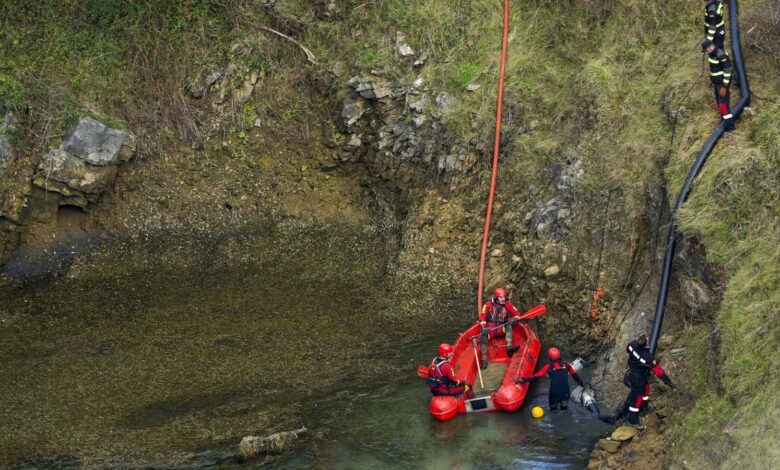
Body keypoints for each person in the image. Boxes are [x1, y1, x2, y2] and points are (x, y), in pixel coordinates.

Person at [600, 334, 675, 430]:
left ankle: (644, 408)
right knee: (637, 398)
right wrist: (670, 384)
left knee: (646, 388)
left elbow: (628, 349)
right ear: (646, 344)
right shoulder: (648, 358)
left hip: (631, 374)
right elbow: (659, 373)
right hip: (637, 379)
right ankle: (633, 419)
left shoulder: (632, 345)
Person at [516, 347, 585, 410]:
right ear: (559, 355)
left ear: (549, 357)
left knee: (553, 409)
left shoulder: (548, 367)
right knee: (564, 408)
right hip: (565, 392)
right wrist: (582, 384)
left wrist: (523, 379)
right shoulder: (567, 364)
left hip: (554, 393)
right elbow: (575, 376)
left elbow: (536, 376)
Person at [478, 287, 522, 366]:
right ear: (496, 297)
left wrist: (515, 319)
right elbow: (482, 316)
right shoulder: (488, 304)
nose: (503, 299)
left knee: (509, 324)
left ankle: (509, 347)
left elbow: (517, 313)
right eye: (501, 297)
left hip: (502, 329)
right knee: (484, 336)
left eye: (504, 297)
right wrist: (484, 327)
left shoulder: (507, 304)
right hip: (490, 330)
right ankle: (484, 358)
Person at [703, 39, 735, 131]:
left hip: (722, 84)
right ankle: (724, 121)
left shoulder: (721, 55)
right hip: (716, 82)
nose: (707, 52)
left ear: (711, 46)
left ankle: (730, 128)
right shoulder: (711, 54)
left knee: (723, 105)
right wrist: (712, 80)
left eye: (707, 50)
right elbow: (714, 69)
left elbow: (727, 71)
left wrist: (725, 86)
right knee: (719, 103)